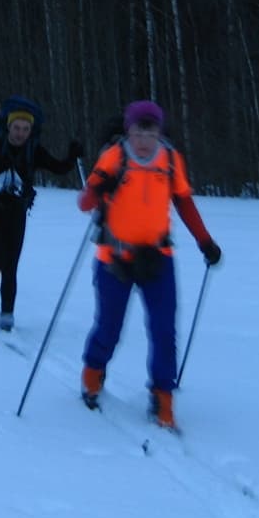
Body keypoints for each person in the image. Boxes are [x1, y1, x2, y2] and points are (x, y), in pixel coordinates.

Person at [77, 99, 222, 431]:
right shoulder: (114, 157)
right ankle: (93, 373)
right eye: (139, 130)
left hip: (158, 258)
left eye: (151, 130)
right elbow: (85, 203)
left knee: (164, 330)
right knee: (109, 327)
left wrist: (205, 241)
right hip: (114, 258)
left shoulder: (170, 160)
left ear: (159, 131)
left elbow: (183, 202)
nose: (145, 137)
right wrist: (100, 188)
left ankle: (163, 397)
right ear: (129, 130)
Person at [0, 101, 81, 334]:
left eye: (25, 129)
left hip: (16, 213)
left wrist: (72, 156)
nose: (20, 133)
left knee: (11, 266)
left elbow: (59, 168)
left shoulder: (33, 150)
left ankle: (7, 313)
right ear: (8, 128)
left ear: (31, 131)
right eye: (16, 128)